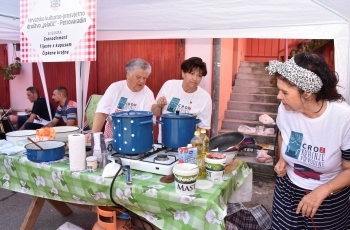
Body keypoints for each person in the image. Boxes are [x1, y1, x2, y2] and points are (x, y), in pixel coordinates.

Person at [266, 52, 350, 229]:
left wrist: (324, 190)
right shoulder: (285, 108)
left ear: (308, 92)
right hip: (288, 190)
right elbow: (285, 134)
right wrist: (283, 158)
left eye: (285, 92)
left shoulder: (342, 118)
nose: (279, 97)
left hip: (329, 198)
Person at [152, 57, 212, 142]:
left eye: (199, 75)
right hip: (164, 144)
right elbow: (155, 112)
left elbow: (204, 128)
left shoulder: (205, 98)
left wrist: (194, 142)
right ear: (183, 73)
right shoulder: (169, 85)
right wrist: (159, 105)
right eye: (192, 73)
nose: (195, 78)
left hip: (189, 148)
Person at [91, 58, 155, 138]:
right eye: (138, 77)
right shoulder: (115, 88)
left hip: (137, 134)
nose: (142, 81)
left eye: (144, 78)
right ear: (128, 75)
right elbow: (102, 112)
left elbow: (148, 120)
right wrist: (94, 133)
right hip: (113, 133)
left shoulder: (148, 93)